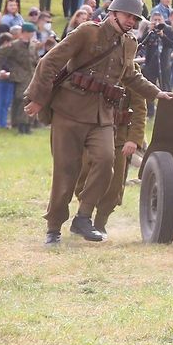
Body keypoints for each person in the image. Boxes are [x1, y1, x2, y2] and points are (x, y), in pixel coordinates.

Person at [24, 0, 173, 244]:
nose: (131, 21)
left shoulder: (129, 43)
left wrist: (157, 92)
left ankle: (83, 218)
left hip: (102, 115)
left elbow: (130, 76)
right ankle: (53, 229)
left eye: (135, 18)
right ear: (114, 12)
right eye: (128, 15)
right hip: (69, 111)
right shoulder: (88, 32)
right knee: (66, 172)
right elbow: (49, 62)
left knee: (107, 161)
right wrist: (39, 98)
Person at [74, 89, 148, 240]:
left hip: (119, 137)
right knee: (84, 178)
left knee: (115, 184)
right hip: (89, 133)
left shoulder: (131, 73)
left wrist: (133, 139)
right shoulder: (91, 67)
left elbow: (140, 110)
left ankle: (100, 222)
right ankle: (82, 218)